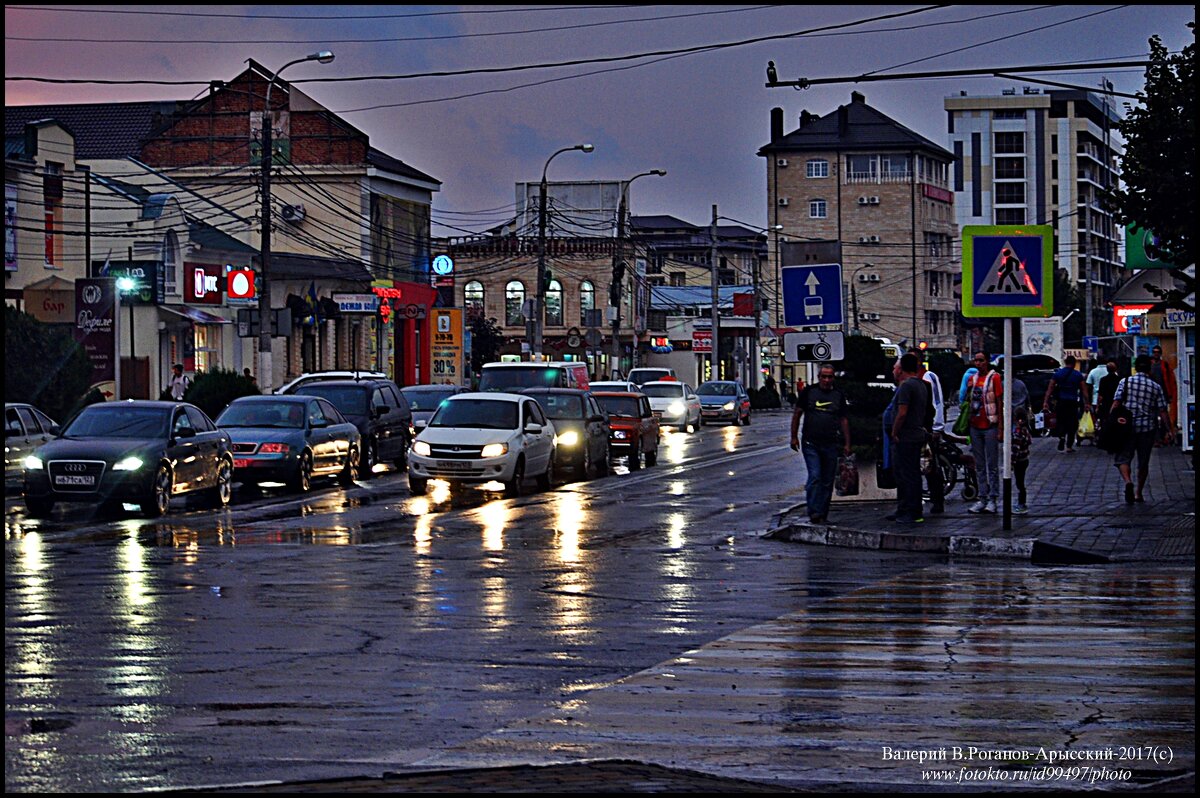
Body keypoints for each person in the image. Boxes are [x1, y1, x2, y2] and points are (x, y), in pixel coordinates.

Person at [789, 363, 851, 525]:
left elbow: (844, 419)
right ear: (819, 377)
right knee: (815, 476)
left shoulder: (838, 395)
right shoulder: (809, 392)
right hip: (811, 442)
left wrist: (847, 443)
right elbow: (797, 414)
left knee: (827, 480)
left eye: (829, 377)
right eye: (824, 376)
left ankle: (822, 512)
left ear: (833, 378)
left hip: (830, 443)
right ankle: (814, 511)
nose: (826, 380)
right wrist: (793, 436)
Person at [1111, 355, 1174, 503]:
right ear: (1149, 369)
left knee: (1123, 458)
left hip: (1126, 428)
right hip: (1147, 428)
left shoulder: (1125, 382)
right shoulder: (1155, 386)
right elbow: (1163, 410)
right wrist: (1169, 430)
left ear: (1136, 368)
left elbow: (1116, 403)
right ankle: (1139, 493)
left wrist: (1110, 422)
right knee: (1143, 462)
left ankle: (1128, 482)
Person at [888, 354, 930, 525]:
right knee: (905, 474)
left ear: (902, 369)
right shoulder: (920, 385)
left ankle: (913, 511)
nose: (894, 370)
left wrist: (894, 431)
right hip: (914, 435)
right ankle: (903, 508)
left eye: (896, 367)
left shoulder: (907, 386)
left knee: (908, 475)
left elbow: (902, 413)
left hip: (906, 436)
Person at [966, 352, 1003, 514]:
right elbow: (967, 401)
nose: (978, 363)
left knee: (992, 464)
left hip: (990, 425)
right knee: (979, 465)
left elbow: (999, 402)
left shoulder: (994, 378)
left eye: (981, 360)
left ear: (987, 362)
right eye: (976, 360)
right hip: (975, 426)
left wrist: (1001, 428)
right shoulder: (972, 379)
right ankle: (982, 498)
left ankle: (993, 499)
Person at [910, 350, 945, 514]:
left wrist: (937, 426)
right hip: (915, 428)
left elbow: (937, 401)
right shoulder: (910, 380)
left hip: (928, 427)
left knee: (931, 466)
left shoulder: (928, 377)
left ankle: (938, 499)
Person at [1043, 355, 1090, 453]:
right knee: (1072, 423)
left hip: (1061, 401)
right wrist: (1087, 403)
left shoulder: (1058, 374)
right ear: (1074, 363)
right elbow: (1084, 390)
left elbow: (1050, 388)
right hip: (1073, 402)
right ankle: (1069, 445)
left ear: (1065, 362)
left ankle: (1061, 436)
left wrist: (1045, 402)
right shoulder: (1078, 375)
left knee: (1061, 421)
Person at [1148, 346, 1178, 430]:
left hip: (1163, 394)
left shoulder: (1164, 365)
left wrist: (1170, 395)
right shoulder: (1149, 365)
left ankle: (1164, 434)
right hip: (1152, 394)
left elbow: (1170, 380)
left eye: (1157, 352)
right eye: (1154, 352)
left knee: (1164, 415)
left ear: (1160, 353)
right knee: (1153, 416)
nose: (1156, 354)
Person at [1011, 406, 1033, 514]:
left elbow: (1016, 449)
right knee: (1021, 482)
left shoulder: (1018, 433)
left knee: (1020, 484)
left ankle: (1021, 504)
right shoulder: (1026, 430)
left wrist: (1011, 462)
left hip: (1019, 461)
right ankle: (1021, 503)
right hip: (1025, 459)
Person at [1095, 361, 1120, 428]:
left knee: (1105, 422)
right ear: (1115, 369)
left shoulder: (1103, 380)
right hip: (1116, 404)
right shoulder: (1119, 379)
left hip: (1105, 404)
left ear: (1107, 369)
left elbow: (1100, 396)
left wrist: (1097, 406)